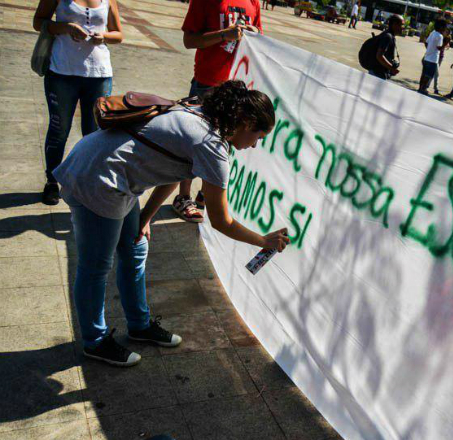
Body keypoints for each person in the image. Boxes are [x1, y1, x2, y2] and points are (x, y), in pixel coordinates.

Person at [52, 81, 291, 367]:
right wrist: (264, 241)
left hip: (112, 171)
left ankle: (139, 326)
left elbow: (173, 168)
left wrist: (146, 217)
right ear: (246, 122)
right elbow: (221, 221)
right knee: (96, 267)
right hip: (97, 178)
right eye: (257, 137)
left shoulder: (202, 111)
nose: (253, 145)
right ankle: (95, 341)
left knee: (135, 248)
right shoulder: (212, 145)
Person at [176, 0, 262, 223]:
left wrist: (254, 35)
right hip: (207, 84)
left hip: (236, 88)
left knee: (223, 145)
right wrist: (224, 35)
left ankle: (205, 197)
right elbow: (189, 40)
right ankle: (183, 197)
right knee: (192, 144)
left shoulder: (253, 1)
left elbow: (261, 40)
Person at [32, 0, 123, 206]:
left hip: (99, 74)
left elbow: (118, 34)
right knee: (59, 130)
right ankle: (52, 181)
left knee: (94, 134)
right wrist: (65, 27)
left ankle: (86, 181)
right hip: (62, 72)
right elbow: (38, 22)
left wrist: (104, 37)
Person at [418, 19, 447, 94]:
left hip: (426, 57)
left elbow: (426, 42)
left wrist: (429, 50)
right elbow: (439, 48)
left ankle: (420, 88)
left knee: (424, 74)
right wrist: (445, 44)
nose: (445, 29)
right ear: (441, 27)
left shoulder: (433, 33)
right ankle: (423, 89)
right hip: (433, 59)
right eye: (444, 27)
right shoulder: (440, 36)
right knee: (428, 75)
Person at [369, 15, 403, 80]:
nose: (403, 28)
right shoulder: (388, 37)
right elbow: (379, 56)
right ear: (394, 25)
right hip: (377, 74)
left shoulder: (389, 35)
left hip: (378, 72)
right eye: (401, 25)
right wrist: (392, 68)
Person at [429, 28, 450, 95]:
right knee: (436, 73)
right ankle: (435, 88)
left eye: (447, 32)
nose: (445, 33)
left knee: (434, 72)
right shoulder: (439, 37)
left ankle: (428, 86)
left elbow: (446, 47)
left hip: (440, 57)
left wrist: (446, 44)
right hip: (435, 56)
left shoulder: (446, 39)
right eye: (445, 31)